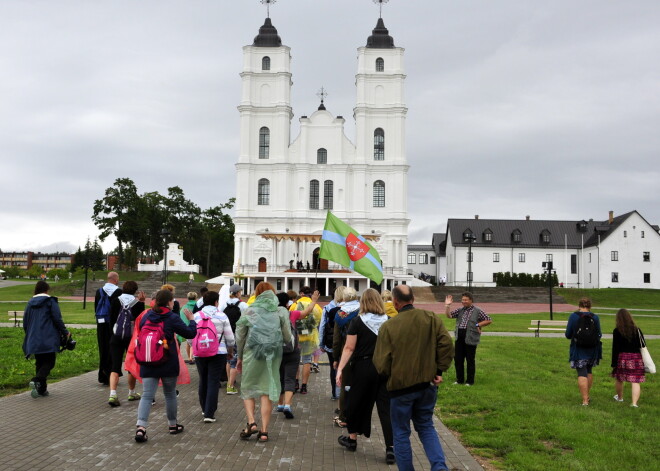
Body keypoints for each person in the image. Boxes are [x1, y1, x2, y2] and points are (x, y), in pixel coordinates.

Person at [374, 284, 454, 471]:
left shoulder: (388, 326)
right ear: (413, 300)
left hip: (400, 389)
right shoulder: (431, 318)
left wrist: (390, 375)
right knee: (426, 427)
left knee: (401, 433)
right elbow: (446, 345)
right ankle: (439, 467)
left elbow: (381, 362)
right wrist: (439, 371)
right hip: (426, 385)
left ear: (395, 302)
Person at [336, 288, 394, 464]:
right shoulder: (389, 321)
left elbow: (349, 348)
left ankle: (352, 439)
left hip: (363, 367)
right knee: (386, 409)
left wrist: (340, 368)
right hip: (384, 368)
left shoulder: (357, 321)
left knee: (356, 403)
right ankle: (391, 448)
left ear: (363, 303)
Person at [135, 289, 197, 443]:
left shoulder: (147, 315)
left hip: (148, 361)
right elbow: (190, 333)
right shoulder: (171, 317)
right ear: (170, 302)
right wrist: (192, 319)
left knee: (147, 395)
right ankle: (172, 425)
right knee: (169, 394)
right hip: (167, 361)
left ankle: (141, 427)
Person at [236, 282, 292, 442]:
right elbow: (287, 337)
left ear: (257, 293)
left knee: (247, 387)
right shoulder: (280, 311)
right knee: (266, 391)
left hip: (252, 353)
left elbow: (240, 336)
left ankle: (251, 422)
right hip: (272, 355)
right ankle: (264, 431)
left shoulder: (251, 310)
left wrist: (239, 356)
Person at [276, 290, 319, 419]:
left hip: (277, 351)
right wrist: (314, 301)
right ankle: (287, 405)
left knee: (279, 377)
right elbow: (307, 312)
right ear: (287, 303)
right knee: (289, 378)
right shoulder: (291, 314)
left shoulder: (271, 315)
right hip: (292, 350)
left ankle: (279, 404)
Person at [22, 281, 70, 398]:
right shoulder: (50, 301)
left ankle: (41, 390)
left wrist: (29, 334)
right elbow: (57, 318)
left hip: (34, 337)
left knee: (40, 363)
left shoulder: (30, 303)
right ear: (47, 290)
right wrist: (65, 332)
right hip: (49, 337)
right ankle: (36, 380)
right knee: (50, 362)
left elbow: (25, 321)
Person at [193, 290, 235, 422]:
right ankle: (209, 414)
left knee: (203, 379)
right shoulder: (222, 316)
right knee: (213, 381)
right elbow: (231, 338)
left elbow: (190, 336)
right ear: (216, 302)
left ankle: (204, 408)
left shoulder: (196, 316)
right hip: (218, 352)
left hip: (200, 352)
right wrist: (230, 350)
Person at [107, 281, 146, 407]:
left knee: (115, 366)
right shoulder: (137, 303)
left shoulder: (115, 300)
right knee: (130, 365)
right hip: (131, 338)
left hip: (116, 336)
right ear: (135, 290)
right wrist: (142, 302)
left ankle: (113, 394)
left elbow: (111, 318)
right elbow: (141, 321)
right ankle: (131, 392)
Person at [444, 292, 492, 386]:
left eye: (466, 300)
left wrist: (478, 324)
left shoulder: (477, 310)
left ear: (471, 300)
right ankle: (459, 380)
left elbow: (488, 320)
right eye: (462, 300)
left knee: (470, 360)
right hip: (459, 337)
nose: (463, 302)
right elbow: (449, 315)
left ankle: (470, 381)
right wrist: (447, 306)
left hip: (470, 337)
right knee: (458, 359)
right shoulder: (461, 310)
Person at [565, 297, 602, 406]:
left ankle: (585, 400)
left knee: (581, 372)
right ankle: (587, 395)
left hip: (578, 348)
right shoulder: (595, 317)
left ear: (579, 305)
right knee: (589, 371)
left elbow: (568, 335)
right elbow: (599, 334)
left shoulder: (573, 316)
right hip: (592, 348)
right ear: (590, 306)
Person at [332, 287, 360, 428]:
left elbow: (336, 340)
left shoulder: (340, 313)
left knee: (345, 386)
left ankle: (343, 417)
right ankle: (358, 414)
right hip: (362, 353)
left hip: (346, 353)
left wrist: (336, 358)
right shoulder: (362, 311)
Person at [290, 286, 323, 394]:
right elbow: (319, 320)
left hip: (296, 336)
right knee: (307, 361)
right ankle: (304, 386)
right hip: (310, 337)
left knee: (295, 360)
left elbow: (290, 319)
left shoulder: (294, 305)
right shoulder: (316, 306)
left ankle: (295, 383)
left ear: (301, 293)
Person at [611, 308, 646, 407]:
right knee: (635, 381)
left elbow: (615, 348)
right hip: (636, 357)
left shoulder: (617, 331)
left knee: (619, 379)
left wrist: (614, 363)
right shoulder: (637, 329)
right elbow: (642, 344)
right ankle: (634, 403)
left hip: (622, 358)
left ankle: (620, 398)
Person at [318, 286, 346, 400]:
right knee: (344, 367)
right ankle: (344, 391)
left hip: (331, 342)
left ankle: (335, 393)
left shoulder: (327, 308)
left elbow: (322, 326)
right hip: (346, 342)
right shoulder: (351, 307)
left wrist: (321, 343)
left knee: (333, 367)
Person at [95, 272, 122, 385]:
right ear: (115, 279)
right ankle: (112, 373)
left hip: (101, 324)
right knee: (113, 349)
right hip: (114, 324)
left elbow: (96, 307)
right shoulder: (119, 292)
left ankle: (102, 375)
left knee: (103, 348)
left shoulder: (99, 291)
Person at [224, 284, 248, 395]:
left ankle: (230, 382)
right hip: (238, 336)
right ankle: (230, 386)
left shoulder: (224, 304)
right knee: (235, 361)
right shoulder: (243, 305)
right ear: (238, 293)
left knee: (229, 360)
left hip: (226, 335)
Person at [180, 292, 198, 364]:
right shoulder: (198, 306)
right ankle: (193, 357)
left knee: (188, 343)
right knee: (195, 343)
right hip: (196, 327)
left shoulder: (184, 307)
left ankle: (189, 357)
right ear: (196, 298)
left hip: (186, 327)